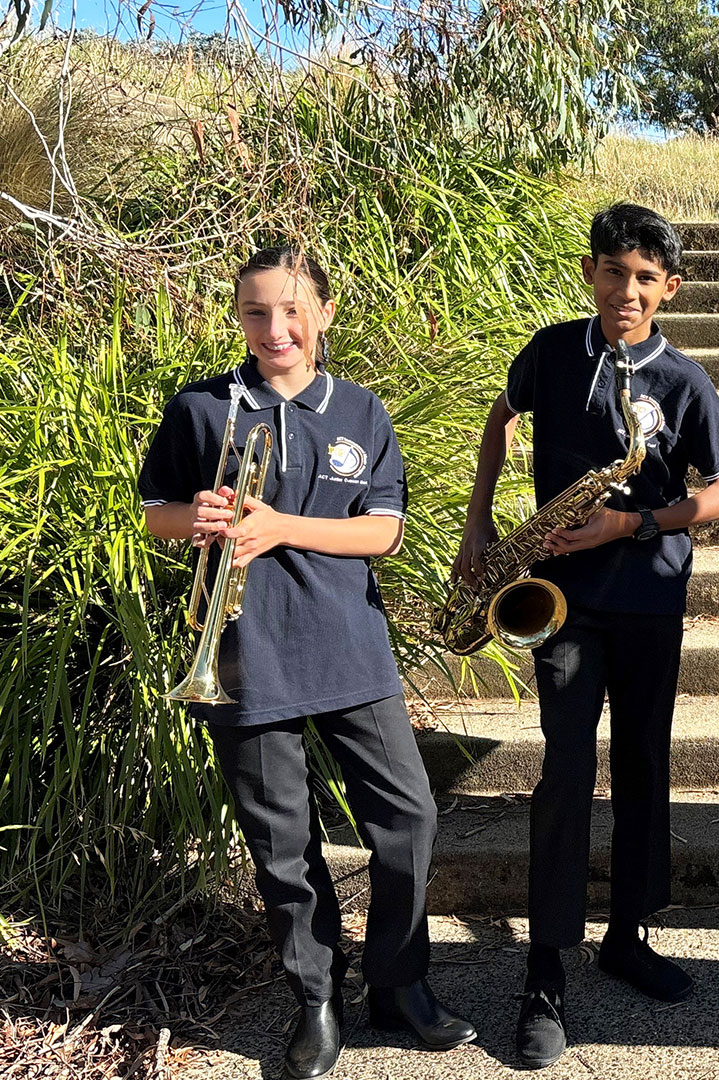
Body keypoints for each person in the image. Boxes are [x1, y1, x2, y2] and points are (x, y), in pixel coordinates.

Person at [138, 247, 474, 1079]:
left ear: (324, 310)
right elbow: (155, 515)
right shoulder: (202, 408)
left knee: (410, 818)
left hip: (348, 646)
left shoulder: (360, 410)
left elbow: (382, 530)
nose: (276, 329)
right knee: (282, 844)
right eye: (256, 312)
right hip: (247, 655)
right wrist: (202, 518)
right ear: (238, 317)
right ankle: (316, 1000)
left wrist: (282, 526)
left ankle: (400, 984)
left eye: (293, 310)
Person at [454, 205, 719, 1069]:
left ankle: (628, 935)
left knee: (646, 764)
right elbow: (497, 424)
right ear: (591, 274)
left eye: (646, 278)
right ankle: (546, 971)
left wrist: (635, 523)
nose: (628, 291)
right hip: (564, 604)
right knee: (568, 772)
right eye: (614, 272)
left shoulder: (685, 379)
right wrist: (479, 526)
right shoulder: (551, 351)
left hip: (650, 596)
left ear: (671, 289)